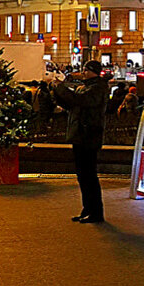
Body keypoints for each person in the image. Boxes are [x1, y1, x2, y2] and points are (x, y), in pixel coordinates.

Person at [53, 58, 110, 223]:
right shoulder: (85, 87)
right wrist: (57, 90)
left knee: (89, 175)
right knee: (82, 175)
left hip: (89, 136)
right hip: (80, 136)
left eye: (86, 70)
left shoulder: (98, 88)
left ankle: (96, 213)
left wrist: (62, 88)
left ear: (93, 71)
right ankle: (87, 209)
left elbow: (81, 101)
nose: (83, 72)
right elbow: (70, 103)